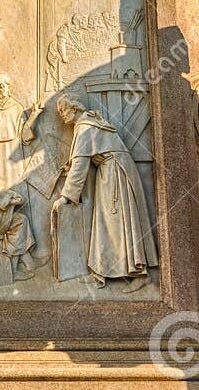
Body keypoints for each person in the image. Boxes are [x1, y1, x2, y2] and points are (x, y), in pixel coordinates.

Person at [53, 93, 158, 285]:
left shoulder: (84, 127)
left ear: (74, 109)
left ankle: (139, 274)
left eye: (63, 110)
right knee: (107, 223)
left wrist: (65, 197)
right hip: (112, 171)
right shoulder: (91, 121)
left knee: (116, 223)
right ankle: (101, 272)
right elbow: (85, 157)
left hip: (114, 174)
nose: (62, 115)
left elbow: (80, 166)